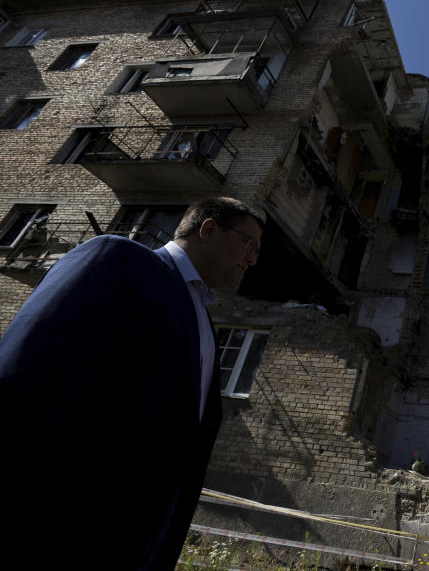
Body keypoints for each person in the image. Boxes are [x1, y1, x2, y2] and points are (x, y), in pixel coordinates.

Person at [0, 197, 263, 570]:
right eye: (247, 242)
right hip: (56, 537)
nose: (252, 259)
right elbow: (21, 380)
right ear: (208, 230)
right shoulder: (120, 259)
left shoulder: (202, 319)